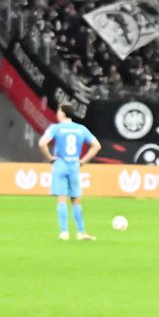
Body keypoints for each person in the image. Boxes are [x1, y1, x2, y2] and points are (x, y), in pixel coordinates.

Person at [38, 102, 101, 241]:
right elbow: (96, 146)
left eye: (58, 111)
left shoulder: (56, 128)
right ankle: (81, 232)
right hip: (74, 166)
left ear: (62, 113)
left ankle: (64, 232)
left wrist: (49, 158)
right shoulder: (81, 129)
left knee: (62, 199)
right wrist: (83, 161)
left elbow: (42, 143)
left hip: (60, 165)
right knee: (76, 201)